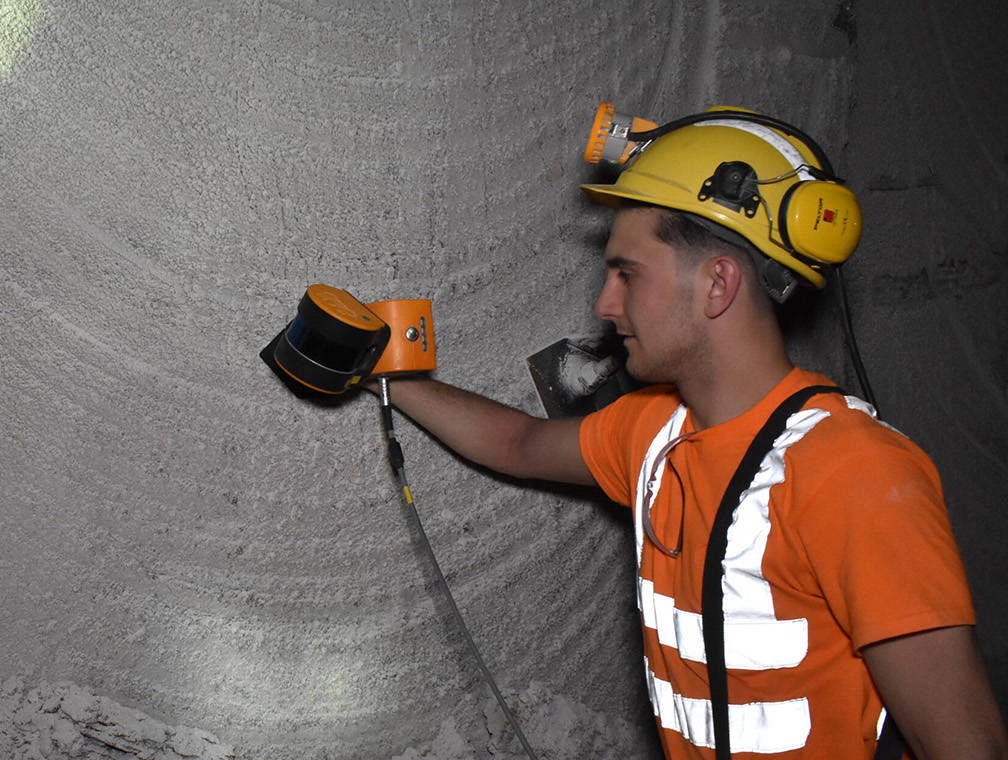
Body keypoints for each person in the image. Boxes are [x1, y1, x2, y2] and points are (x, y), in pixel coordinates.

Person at [378, 110, 1008, 758]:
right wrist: (383, 379)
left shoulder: (852, 474)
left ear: (717, 284)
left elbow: (965, 746)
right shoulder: (653, 428)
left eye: (628, 273)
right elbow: (518, 443)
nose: (604, 303)